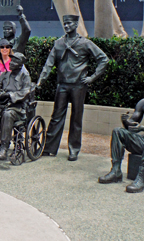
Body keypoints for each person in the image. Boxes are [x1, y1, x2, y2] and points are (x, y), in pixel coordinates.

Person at [36, 14, 109, 161]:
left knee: (76, 118)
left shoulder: (85, 43)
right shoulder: (59, 43)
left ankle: (74, 149)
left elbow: (104, 59)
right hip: (62, 85)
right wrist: (40, 82)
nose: (66, 26)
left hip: (78, 86)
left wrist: (92, 78)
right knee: (56, 117)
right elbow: (48, 65)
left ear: (76, 25)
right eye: (65, 23)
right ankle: (50, 148)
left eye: (69, 23)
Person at [0, 52, 32, 161]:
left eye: (15, 61)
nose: (11, 63)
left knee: (8, 114)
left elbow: (25, 92)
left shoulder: (25, 77)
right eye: (11, 60)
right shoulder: (5, 75)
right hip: (2, 105)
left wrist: (9, 95)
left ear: (20, 64)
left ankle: (4, 148)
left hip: (16, 108)